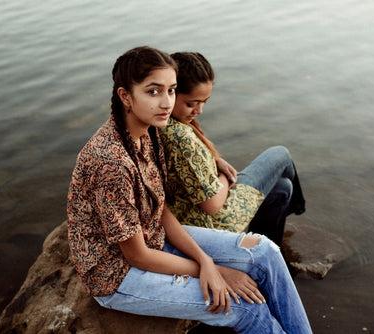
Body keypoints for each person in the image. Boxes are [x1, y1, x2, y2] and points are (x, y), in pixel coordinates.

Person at [67, 46, 312, 333]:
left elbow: (160, 211)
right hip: (119, 274)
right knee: (245, 306)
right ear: (125, 96)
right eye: (153, 91)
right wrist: (211, 270)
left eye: (171, 90)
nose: (166, 103)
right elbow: (136, 256)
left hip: (155, 239)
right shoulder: (110, 163)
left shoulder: (148, 134)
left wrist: (205, 258)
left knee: (266, 252)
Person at [160, 52, 306, 246]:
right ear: (171, 91)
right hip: (214, 223)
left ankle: (265, 247)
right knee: (281, 154)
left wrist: (216, 161)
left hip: (189, 215)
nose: (199, 111)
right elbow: (212, 205)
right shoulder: (180, 137)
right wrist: (224, 177)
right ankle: (298, 207)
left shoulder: (160, 122)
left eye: (204, 102)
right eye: (191, 104)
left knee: (282, 188)